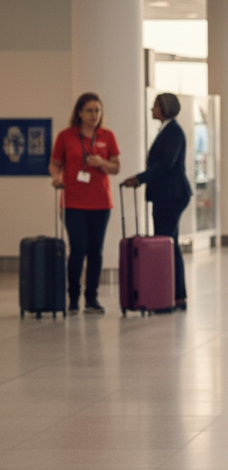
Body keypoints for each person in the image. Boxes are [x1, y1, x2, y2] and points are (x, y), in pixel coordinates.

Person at [49, 93, 120, 314]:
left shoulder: (107, 136)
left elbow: (116, 167)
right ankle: (73, 297)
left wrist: (101, 163)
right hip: (74, 202)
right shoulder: (66, 136)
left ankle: (92, 298)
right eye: (89, 111)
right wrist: (57, 177)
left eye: (97, 111)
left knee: (95, 251)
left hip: (100, 202)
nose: (94, 115)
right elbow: (54, 164)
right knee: (77, 249)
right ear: (79, 113)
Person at [123, 93, 192, 311]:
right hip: (167, 195)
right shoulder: (167, 130)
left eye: (155, 106)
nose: (152, 109)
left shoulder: (173, 132)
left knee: (166, 244)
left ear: (165, 108)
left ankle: (171, 297)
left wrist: (140, 178)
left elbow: (166, 164)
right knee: (169, 244)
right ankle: (175, 295)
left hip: (171, 195)